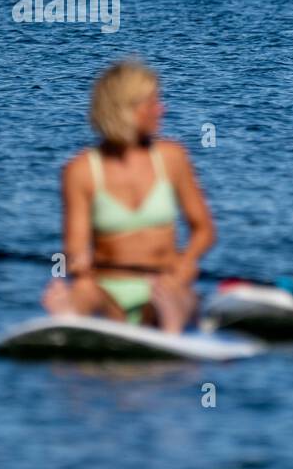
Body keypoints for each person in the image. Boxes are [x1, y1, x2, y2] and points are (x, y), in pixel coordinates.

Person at [41, 60, 214, 332]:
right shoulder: (81, 170)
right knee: (85, 290)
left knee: (178, 296)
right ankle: (70, 312)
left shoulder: (172, 158)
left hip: (164, 282)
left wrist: (185, 263)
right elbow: (73, 248)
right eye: (152, 103)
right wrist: (78, 266)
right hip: (107, 287)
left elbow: (203, 229)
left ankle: (171, 322)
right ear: (128, 110)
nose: (162, 109)